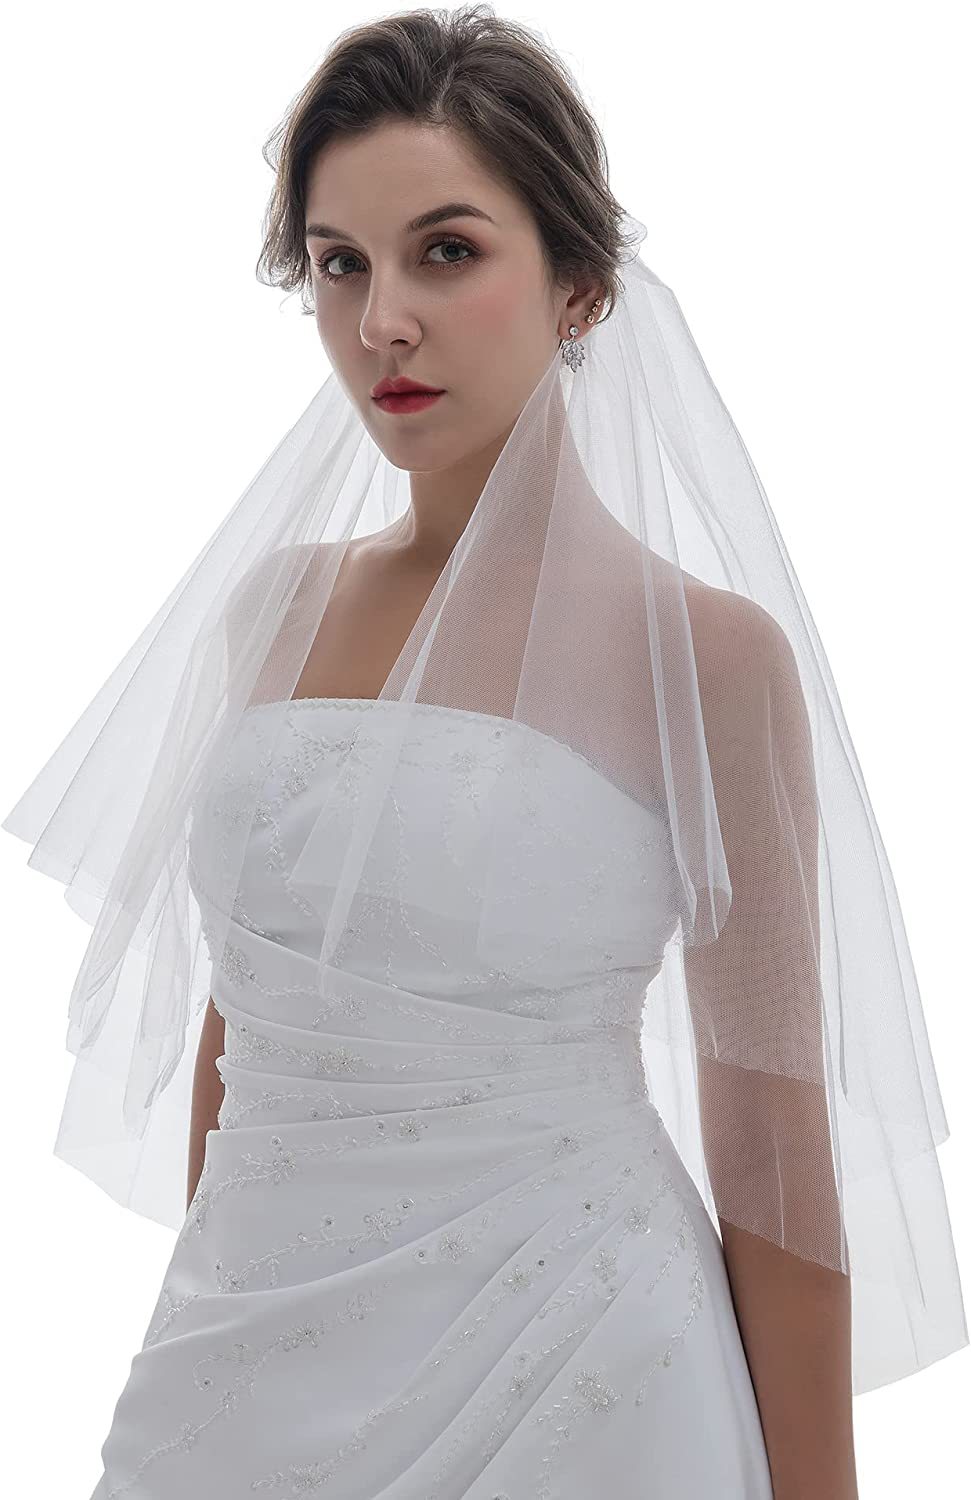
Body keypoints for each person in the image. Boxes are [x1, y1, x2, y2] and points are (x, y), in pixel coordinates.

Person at [4, 7, 966, 1498]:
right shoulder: (272, 612)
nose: (382, 320)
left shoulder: (706, 658)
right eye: (340, 263)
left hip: (580, 1365)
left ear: (581, 287)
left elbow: (773, 1148)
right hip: (246, 1364)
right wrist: (218, 1341)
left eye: (445, 252)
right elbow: (240, 1035)